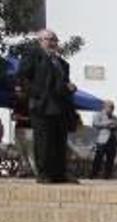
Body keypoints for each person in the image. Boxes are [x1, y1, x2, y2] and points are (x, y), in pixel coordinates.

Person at [17, 29, 78, 184]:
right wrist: (37, 94)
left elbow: (61, 84)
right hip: (42, 106)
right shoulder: (33, 57)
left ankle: (59, 173)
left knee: (59, 141)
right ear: (40, 41)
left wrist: (69, 87)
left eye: (54, 40)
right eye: (48, 39)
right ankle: (44, 173)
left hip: (60, 107)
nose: (52, 43)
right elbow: (23, 77)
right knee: (44, 141)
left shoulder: (62, 63)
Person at [90, 100, 117, 179]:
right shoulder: (98, 115)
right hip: (102, 140)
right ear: (105, 107)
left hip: (112, 140)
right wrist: (107, 123)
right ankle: (94, 174)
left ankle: (107, 175)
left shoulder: (115, 117)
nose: (112, 109)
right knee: (98, 158)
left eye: (113, 107)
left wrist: (116, 126)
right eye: (110, 107)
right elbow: (95, 124)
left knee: (110, 158)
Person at [11, 83, 36, 177]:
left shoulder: (30, 102)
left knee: (30, 152)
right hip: (19, 128)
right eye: (16, 91)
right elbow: (13, 116)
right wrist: (14, 117)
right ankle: (25, 170)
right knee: (21, 152)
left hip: (28, 129)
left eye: (19, 91)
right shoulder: (17, 102)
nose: (17, 93)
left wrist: (21, 118)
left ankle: (35, 171)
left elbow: (33, 118)